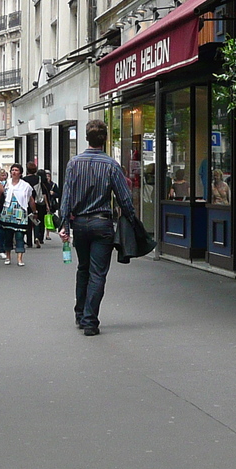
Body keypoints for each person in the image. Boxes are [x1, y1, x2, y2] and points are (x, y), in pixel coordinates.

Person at [58, 119, 136, 336]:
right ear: (105, 139)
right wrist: (132, 219)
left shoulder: (74, 163)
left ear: (86, 137)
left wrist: (64, 224)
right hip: (102, 223)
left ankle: (80, 313)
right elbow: (124, 198)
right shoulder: (111, 164)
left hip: (80, 223)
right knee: (97, 273)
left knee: (83, 268)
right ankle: (90, 320)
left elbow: (66, 197)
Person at [0, 164, 33, 267]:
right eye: (12, 170)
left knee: (19, 236)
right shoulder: (6, 184)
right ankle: (8, 256)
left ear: (20, 173)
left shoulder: (25, 186)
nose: (14, 172)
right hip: (8, 212)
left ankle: (19, 258)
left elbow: (30, 199)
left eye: (16, 170)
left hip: (20, 212)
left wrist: (34, 212)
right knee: (8, 236)